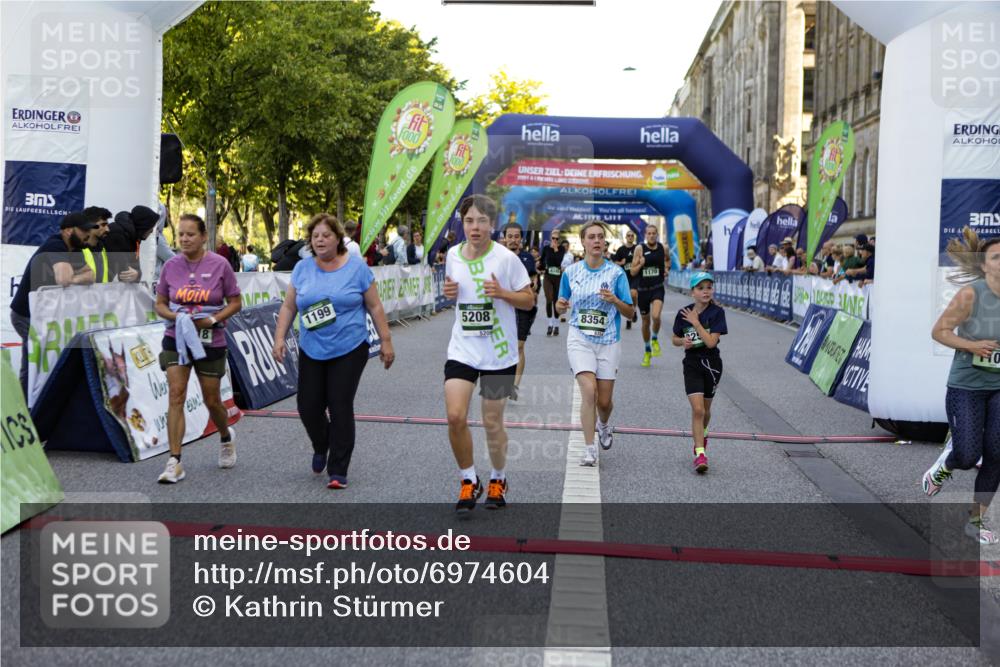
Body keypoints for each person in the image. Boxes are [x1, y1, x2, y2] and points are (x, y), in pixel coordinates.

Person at [272, 214, 395, 489]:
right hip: (312, 347)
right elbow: (289, 306)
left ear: (338, 238)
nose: (320, 240)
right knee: (308, 406)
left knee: (339, 404)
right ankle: (321, 444)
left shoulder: (356, 268)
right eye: (315, 236)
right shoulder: (303, 269)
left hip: (349, 346)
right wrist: (279, 338)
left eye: (326, 235)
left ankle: (338, 469)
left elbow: (374, 306)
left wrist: (386, 341)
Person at [441, 194, 534, 514]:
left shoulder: (506, 259)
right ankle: (469, 479)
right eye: (469, 221)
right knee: (455, 415)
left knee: (492, 421)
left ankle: (498, 478)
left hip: (500, 354)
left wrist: (504, 293)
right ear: (462, 223)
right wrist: (449, 294)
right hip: (463, 349)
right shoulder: (453, 255)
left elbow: (529, 300)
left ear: (492, 225)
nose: (475, 227)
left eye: (482, 221)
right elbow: (456, 294)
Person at [923, 228, 1000, 544]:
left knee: (997, 453)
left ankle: (976, 521)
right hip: (966, 386)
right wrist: (971, 345)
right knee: (968, 456)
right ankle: (948, 461)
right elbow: (939, 331)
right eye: (997, 257)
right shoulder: (972, 294)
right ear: (984, 265)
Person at [154, 213, 242, 484]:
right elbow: (159, 304)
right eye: (180, 234)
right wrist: (176, 317)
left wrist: (214, 318)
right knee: (176, 395)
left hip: (209, 338)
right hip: (176, 337)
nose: (184, 239)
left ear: (204, 237)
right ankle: (174, 461)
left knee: (212, 400)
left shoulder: (220, 264)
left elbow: (236, 301)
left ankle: (226, 437)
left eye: (190, 234)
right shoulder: (170, 266)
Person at [555, 221, 634, 467]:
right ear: (584, 241)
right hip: (579, 338)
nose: (597, 241)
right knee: (589, 392)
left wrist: (614, 301)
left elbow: (631, 313)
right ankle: (589, 448)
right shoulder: (571, 272)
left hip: (608, 341)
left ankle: (603, 424)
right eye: (592, 237)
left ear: (605, 243)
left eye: (601, 237)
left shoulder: (616, 274)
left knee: (604, 401)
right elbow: (560, 303)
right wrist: (560, 306)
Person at [9, 212, 97, 395]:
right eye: (83, 230)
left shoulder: (76, 249)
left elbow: (91, 276)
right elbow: (64, 279)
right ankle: (26, 408)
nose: (87, 235)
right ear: (67, 231)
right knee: (34, 362)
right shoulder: (55, 245)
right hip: (26, 315)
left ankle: (37, 402)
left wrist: (74, 277)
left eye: (88, 230)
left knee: (44, 360)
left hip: (46, 314)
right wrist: (74, 277)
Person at [672, 271, 728, 474]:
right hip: (692, 364)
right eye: (700, 288)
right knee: (697, 410)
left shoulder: (717, 313)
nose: (706, 291)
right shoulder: (682, 313)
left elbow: (712, 342)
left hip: (712, 364)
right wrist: (682, 342)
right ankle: (700, 453)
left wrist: (696, 323)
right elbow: (674, 338)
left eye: (709, 287)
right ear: (692, 292)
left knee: (706, 409)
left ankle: (703, 432)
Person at [501, 222, 538, 399]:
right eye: (510, 236)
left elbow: (533, 281)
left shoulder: (527, 258)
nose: (513, 240)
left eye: (516, 236)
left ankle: (514, 385)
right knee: (503, 345)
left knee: (519, 346)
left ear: (521, 239)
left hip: (522, 306)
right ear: (504, 238)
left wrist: (533, 287)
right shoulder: (496, 257)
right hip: (503, 306)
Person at [630, 224, 668, 367]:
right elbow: (633, 272)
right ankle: (647, 350)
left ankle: (655, 338)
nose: (651, 235)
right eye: (649, 233)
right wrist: (640, 264)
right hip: (643, 290)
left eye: (654, 233)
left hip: (657, 288)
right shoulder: (640, 249)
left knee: (656, 316)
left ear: (657, 234)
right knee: (645, 322)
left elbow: (668, 260)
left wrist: (666, 268)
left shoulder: (663, 248)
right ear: (645, 235)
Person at [539, 231, 567, 336]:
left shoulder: (561, 249)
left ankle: (556, 325)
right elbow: (542, 261)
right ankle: (550, 324)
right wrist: (540, 267)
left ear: (559, 240)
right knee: (549, 298)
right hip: (548, 276)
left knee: (556, 300)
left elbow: (558, 261)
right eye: (553, 238)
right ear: (551, 238)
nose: (555, 240)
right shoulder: (546, 248)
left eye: (557, 239)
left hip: (557, 277)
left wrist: (555, 249)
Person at [613, 230, 640, 330]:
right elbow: (614, 262)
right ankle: (629, 318)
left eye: (632, 236)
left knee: (633, 294)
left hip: (635, 276)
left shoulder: (637, 249)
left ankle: (634, 311)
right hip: (624, 277)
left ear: (634, 237)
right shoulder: (621, 250)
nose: (630, 237)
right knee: (625, 298)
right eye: (628, 235)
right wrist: (621, 263)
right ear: (625, 237)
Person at [82, 206, 113, 283]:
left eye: (107, 225)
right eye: (103, 225)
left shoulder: (103, 249)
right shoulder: (75, 250)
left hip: (100, 294)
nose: (107, 229)